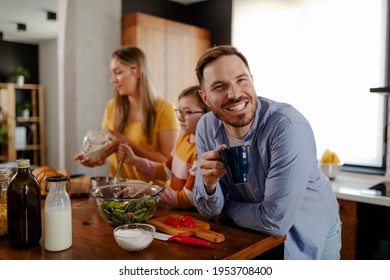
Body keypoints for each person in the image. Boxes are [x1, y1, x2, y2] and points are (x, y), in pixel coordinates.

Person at [192, 45, 341, 260]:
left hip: (312, 233)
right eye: (219, 86)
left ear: (252, 80)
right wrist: (209, 185)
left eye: (241, 80)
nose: (234, 94)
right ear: (205, 98)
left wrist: (225, 209)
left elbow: (274, 221)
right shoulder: (205, 128)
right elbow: (206, 210)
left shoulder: (288, 127)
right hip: (254, 237)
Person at [74, 46, 179, 186]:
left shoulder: (165, 109)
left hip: (152, 196)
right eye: (112, 73)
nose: (112, 80)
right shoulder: (112, 106)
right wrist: (94, 158)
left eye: (118, 73)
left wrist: (128, 143)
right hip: (119, 192)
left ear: (137, 71)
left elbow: (167, 162)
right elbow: (106, 153)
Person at [117, 85, 207, 209]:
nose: (180, 117)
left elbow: (188, 199)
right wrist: (135, 161)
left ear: (207, 114)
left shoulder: (202, 152)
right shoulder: (183, 139)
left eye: (188, 112)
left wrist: (148, 189)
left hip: (191, 218)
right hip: (174, 211)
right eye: (179, 111)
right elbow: (165, 171)